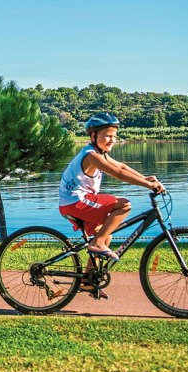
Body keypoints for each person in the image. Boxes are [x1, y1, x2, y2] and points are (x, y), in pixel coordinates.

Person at [59, 113, 165, 297]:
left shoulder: (99, 154)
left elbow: (121, 167)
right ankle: (97, 243)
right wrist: (147, 185)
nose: (112, 140)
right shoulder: (91, 155)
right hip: (75, 201)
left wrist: (145, 178)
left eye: (114, 136)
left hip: (75, 202)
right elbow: (118, 174)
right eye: (107, 136)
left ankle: (87, 281)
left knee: (105, 234)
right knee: (124, 205)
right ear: (93, 136)